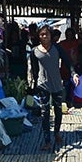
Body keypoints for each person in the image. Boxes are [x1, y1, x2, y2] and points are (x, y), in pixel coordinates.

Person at [28, 23, 66, 151]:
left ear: (51, 35)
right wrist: (34, 83)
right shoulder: (35, 51)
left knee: (58, 110)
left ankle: (56, 133)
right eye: (42, 34)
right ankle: (47, 141)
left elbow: (67, 61)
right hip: (43, 84)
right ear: (39, 36)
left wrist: (74, 74)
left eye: (47, 34)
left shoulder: (57, 48)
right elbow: (34, 69)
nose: (44, 36)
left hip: (57, 84)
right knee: (45, 113)